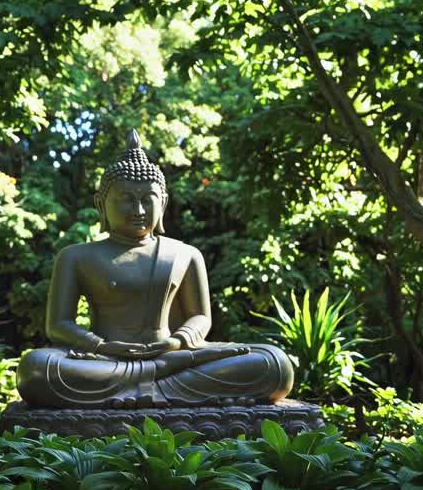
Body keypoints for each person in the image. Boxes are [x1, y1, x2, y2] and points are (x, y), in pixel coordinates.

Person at [16, 130, 294, 408]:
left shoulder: (185, 254)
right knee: (37, 368)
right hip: (107, 360)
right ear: (101, 204)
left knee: (274, 363)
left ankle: (140, 389)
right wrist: (101, 346)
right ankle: (161, 388)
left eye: (148, 199)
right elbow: (58, 325)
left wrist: (176, 343)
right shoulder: (76, 256)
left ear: (163, 203)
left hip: (176, 356)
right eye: (126, 199)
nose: (138, 209)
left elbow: (200, 317)